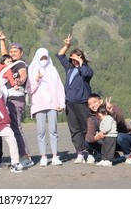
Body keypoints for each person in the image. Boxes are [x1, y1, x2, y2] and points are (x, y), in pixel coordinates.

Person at [0, 31, 34, 168]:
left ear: (21, 52)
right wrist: (2, 40)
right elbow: (4, 55)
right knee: (11, 127)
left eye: (15, 51)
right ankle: (19, 155)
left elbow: (23, 75)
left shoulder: (20, 64)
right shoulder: (9, 64)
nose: (12, 53)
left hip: (16, 98)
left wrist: (20, 80)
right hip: (6, 99)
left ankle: (25, 156)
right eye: (11, 51)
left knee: (16, 127)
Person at [56, 34, 94, 164]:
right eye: (72, 58)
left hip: (83, 103)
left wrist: (81, 62)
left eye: (76, 58)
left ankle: (90, 152)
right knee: (74, 129)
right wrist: (67, 46)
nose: (74, 61)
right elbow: (60, 56)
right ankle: (79, 153)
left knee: (86, 128)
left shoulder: (86, 69)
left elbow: (87, 74)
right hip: (70, 104)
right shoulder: (69, 68)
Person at [26, 48, 65, 167]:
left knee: (53, 130)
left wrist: (61, 103)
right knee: (41, 131)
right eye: (41, 58)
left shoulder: (53, 70)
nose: (43, 60)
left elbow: (59, 88)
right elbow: (29, 90)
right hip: (39, 105)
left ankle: (54, 156)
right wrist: (37, 79)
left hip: (53, 104)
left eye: (45, 58)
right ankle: (43, 156)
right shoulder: (32, 69)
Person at [86, 93, 131, 165]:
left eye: (94, 102)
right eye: (90, 104)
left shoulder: (113, 108)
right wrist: (96, 137)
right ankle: (112, 155)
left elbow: (122, 123)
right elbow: (89, 136)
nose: (93, 105)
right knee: (88, 142)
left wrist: (111, 112)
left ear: (101, 101)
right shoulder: (92, 119)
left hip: (125, 138)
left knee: (119, 137)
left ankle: (129, 156)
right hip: (109, 141)